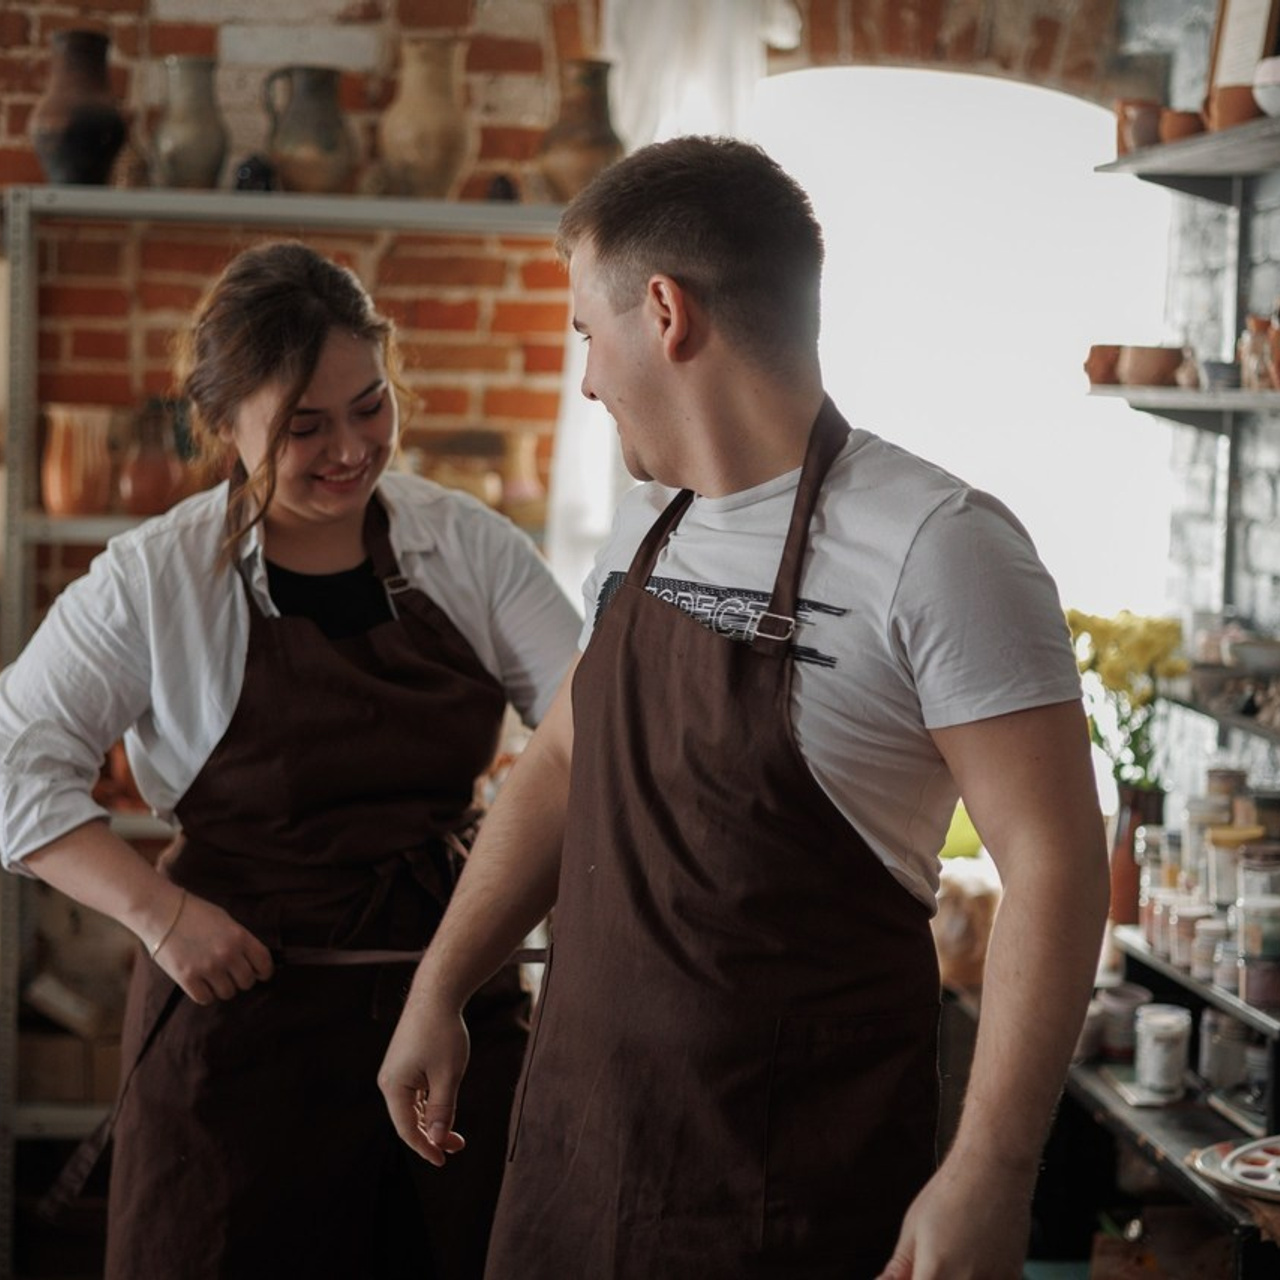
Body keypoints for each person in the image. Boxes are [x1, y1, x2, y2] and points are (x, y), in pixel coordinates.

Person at [379, 137, 1111, 1279]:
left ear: (663, 312)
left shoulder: (939, 545)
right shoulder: (647, 526)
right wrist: (443, 982)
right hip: (573, 1162)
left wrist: (987, 1169)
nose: (584, 377)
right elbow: (563, 762)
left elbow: (1058, 860)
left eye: (586, 333)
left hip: (787, 1198)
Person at [0, 240, 581, 1279]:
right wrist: (161, 913)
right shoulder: (155, 578)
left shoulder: (469, 549)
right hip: (238, 1041)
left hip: (446, 1016)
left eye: (370, 404)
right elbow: (12, 766)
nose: (352, 448)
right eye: (304, 426)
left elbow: (593, 733)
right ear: (223, 426)